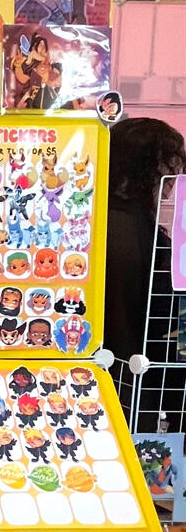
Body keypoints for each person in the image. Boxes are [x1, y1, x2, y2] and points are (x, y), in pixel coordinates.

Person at [104, 118, 186, 362]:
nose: (169, 189)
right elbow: (128, 319)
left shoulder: (112, 218)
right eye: (167, 176)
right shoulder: (125, 225)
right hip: (133, 366)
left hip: (124, 364)